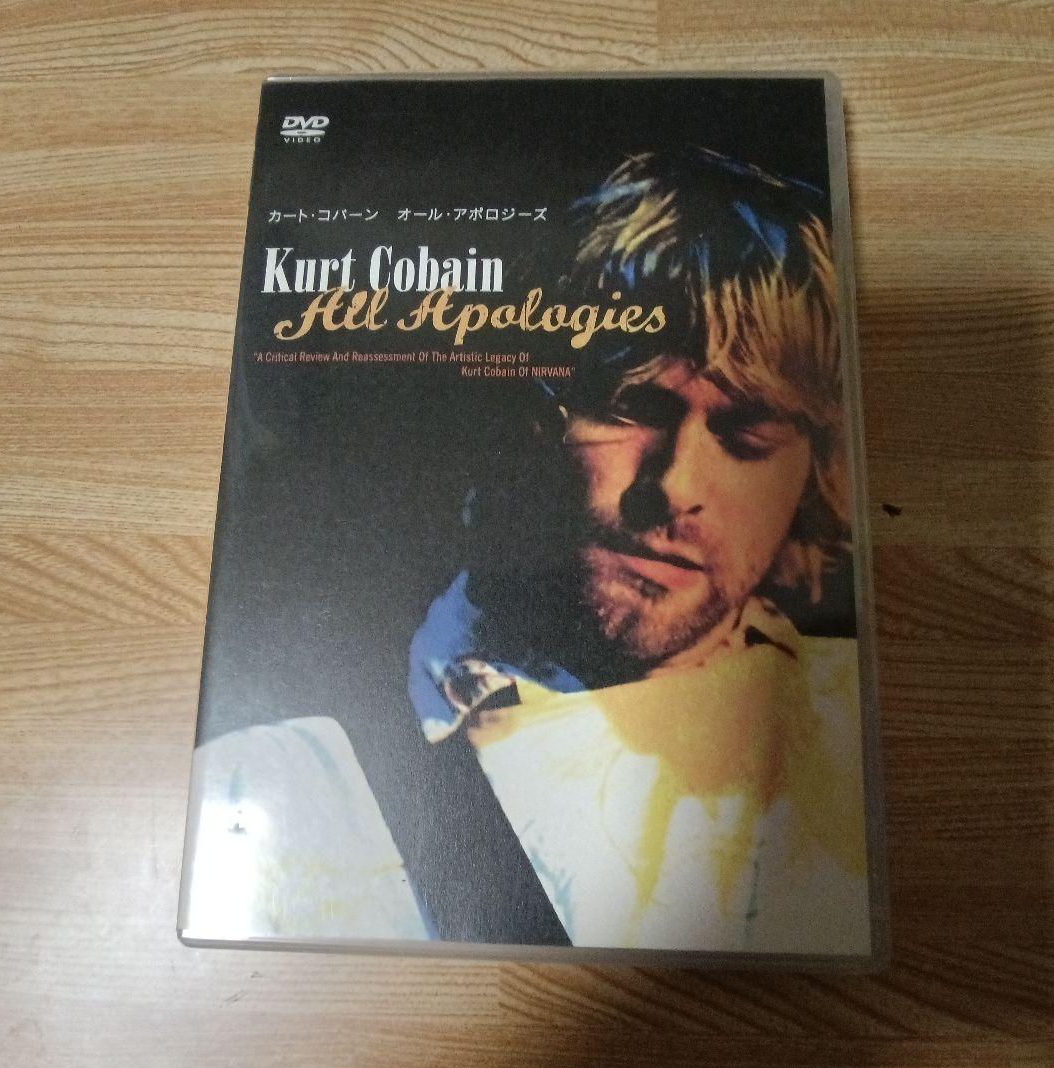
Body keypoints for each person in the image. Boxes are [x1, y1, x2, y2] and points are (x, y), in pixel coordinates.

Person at [180, 148, 871, 956]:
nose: (674, 485)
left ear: (813, 474)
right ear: (525, 416)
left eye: (749, 437)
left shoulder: (856, 750)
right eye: (628, 407)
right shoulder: (267, 781)